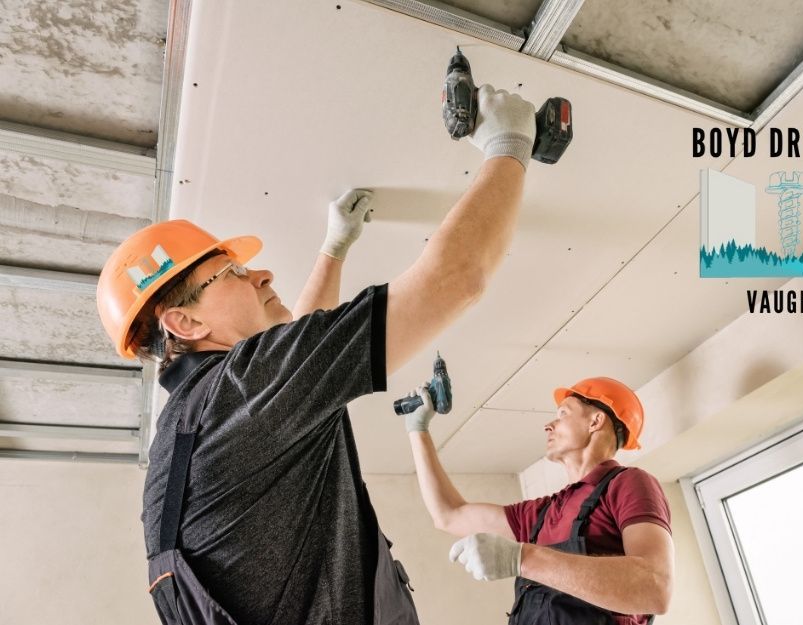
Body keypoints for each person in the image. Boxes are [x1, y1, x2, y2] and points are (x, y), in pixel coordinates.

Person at [94, 84, 537, 625]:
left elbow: (296, 360)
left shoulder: (188, 431)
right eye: (231, 272)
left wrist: (335, 248)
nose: (261, 273)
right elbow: (455, 280)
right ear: (185, 322)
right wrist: (510, 144)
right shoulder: (245, 390)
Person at [404, 376, 674, 625]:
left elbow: (655, 586)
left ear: (595, 422)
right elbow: (449, 514)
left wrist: (523, 558)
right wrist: (418, 430)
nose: (549, 425)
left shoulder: (627, 483)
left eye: (563, 414)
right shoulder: (542, 513)